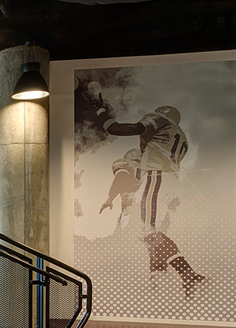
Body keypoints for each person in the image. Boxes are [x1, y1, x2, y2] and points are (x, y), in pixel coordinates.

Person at [84, 84, 205, 299]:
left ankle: (189, 275)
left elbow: (119, 129)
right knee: (153, 235)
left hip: (157, 178)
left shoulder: (160, 121)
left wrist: (101, 112)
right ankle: (158, 279)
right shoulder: (181, 136)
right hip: (171, 184)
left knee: (148, 232)